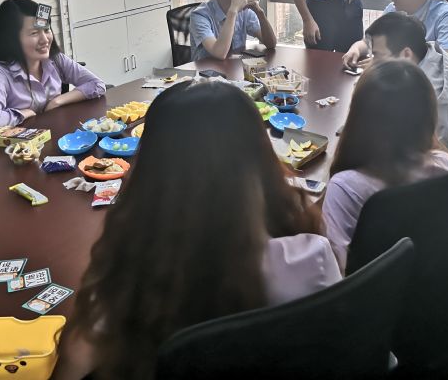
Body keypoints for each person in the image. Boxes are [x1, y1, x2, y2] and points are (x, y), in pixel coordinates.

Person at [53, 81, 341, 380]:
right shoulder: (309, 259)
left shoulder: (127, 283)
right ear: (260, 159)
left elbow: (76, 363)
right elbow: (339, 348)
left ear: (150, 172)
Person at [323, 59, 448, 270]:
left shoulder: (346, 187)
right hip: (435, 278)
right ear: (427, 115)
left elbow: (335, 270)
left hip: (375, 288)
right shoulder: (447, 164)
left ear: (360, 117)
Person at [343, 12, 448, 159]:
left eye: (378, 56)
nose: (373, 63)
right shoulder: (425, 54)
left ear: (406, 54)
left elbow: (441, 154)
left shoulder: (435, 92)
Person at [0, 0, 105, 133]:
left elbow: (97, 84)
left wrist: (57, 101)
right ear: (12, 39)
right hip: (16, 144)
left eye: (46, 30)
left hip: (50, 135)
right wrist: (24, 113)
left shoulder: (56, 59)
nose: (45, 40)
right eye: (34, 33)